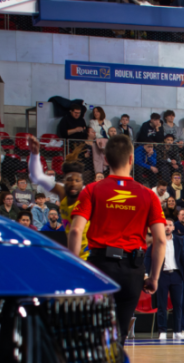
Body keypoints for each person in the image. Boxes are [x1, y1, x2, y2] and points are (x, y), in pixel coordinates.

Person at [31, 134, 167, 343]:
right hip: (133, 269)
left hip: (100, 266)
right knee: (119, 335)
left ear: (105, 160)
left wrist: (73, 268)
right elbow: (160, 240)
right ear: (131, 159)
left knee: (94, 332)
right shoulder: (148, 195)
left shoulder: (92, 190)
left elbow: (76, 231)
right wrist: (154, 278)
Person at [152, 219, 184, 339]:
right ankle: (162, 331)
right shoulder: (157, 240)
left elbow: (183, 257)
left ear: (174, 228)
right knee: (162, 304)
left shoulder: (179, 240)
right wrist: (147, 274)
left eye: (170, 225)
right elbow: (148, 257)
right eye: (165, 225)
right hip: (162, 275)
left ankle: (177, 331)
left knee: (178, 304)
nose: (168, 227)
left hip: (176, 275)